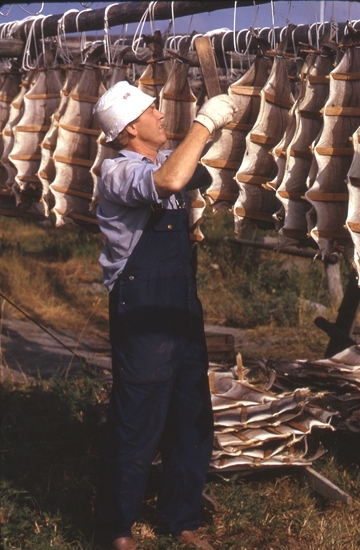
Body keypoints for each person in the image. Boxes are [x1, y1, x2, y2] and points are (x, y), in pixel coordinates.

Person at [93, 80, 236, 550]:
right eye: (152, 112)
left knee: (191, 415)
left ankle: (183, 519)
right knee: (138, 421)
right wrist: (205, 121)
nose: (161, 116)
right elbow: (172, 181)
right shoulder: (118, 171)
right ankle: (117, 530)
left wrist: (216, 137)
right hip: (142, 308)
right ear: (130, 127)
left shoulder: (162, 160)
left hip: (180, 306)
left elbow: (194, 173)